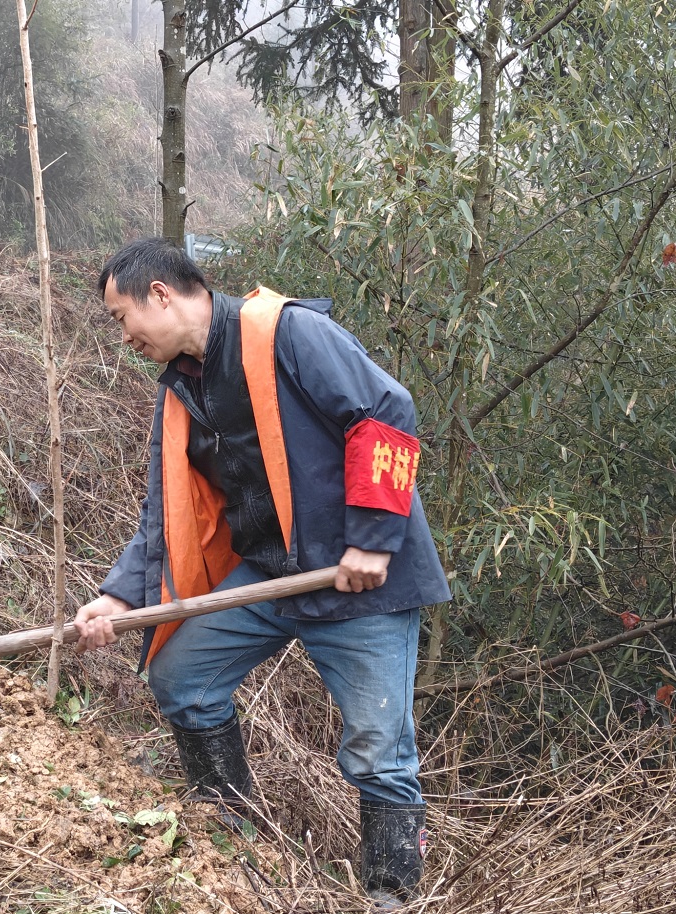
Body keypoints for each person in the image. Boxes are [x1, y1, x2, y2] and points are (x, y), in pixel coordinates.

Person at [72, 238, 452, 906]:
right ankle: (229, 832)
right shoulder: (181, 390)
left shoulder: (287, 332)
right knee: (181, 676)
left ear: (160, 294)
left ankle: (391, 893)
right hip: (270, 575)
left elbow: (386, 411)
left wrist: (371, 539)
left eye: (119, 317)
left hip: (360, 581)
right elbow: (166, 512)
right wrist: (114, 596)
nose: (122, 335)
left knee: (376, 750)